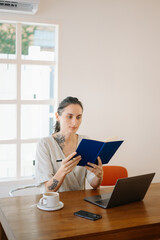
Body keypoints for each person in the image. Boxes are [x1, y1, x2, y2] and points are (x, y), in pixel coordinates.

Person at [35, 96, 103, 192]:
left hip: (79, 201)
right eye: (69, 116)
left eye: (78, 117)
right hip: (55, 203)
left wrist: (98, 176)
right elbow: (48, 189)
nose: (75, 122)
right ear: (57, 116)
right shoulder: (45, 144)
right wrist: (63, 170)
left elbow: (94, 184)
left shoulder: (85, 141)